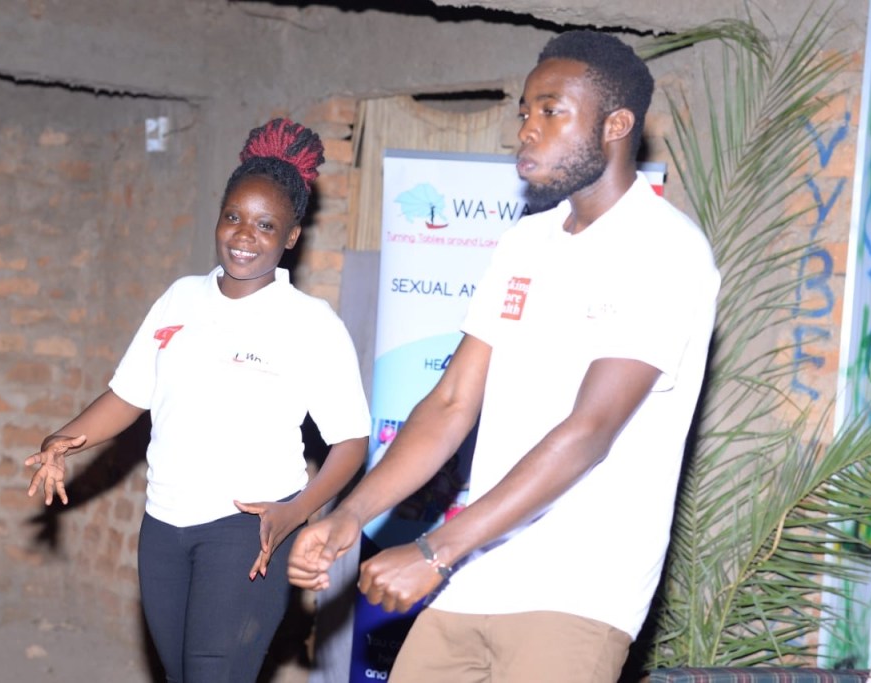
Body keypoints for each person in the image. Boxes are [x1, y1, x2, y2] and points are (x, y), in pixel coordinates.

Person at [287, 30, 720, 683]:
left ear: (616, 125)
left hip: (579, 593)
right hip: (474, 577)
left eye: (551, 111)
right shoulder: (525, 242)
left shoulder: (663, 249)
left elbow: (589, 431)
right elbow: (451, 402)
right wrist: (352, 511)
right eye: (524, 112)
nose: (527, 129)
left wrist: (435, 549)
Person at [24, 118, 371, 683]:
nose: (243, 235)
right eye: (233, 217)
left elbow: (351, 442)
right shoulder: (180, 298)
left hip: (248, 529)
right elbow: (128, 396)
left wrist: (293, 512)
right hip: (163, 525)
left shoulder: (310, 323)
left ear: (291, 237)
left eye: (265, 225)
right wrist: (62, 439)